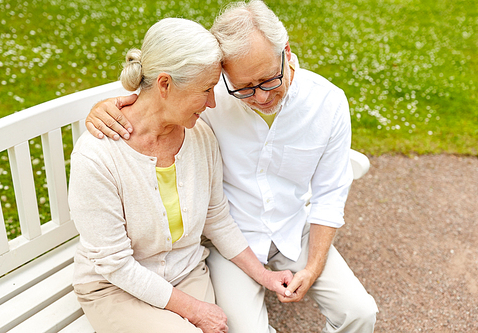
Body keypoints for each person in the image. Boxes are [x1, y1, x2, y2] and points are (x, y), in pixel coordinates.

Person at [85, 1, 379, 332]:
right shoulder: (207, 100)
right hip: (231, 242)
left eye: (269, 80)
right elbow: (157, 94)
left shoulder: (327, 102)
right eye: (245, 87)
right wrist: (105, 106)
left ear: (286, 51)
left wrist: (312, 268)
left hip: (294, 232)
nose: (262, 97)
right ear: (224, 71)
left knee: (360, 312)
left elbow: (329, 194)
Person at [68, 17, 293, 333]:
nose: (212, 102)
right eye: (205, 90)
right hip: (114, 287)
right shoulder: (98, 155)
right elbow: (115, 264)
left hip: (185, 273)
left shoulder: (200, 137)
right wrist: (196, 311)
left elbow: (217, 220)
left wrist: (265, 276)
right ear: (164, 84)